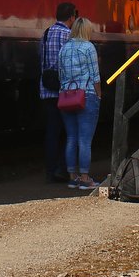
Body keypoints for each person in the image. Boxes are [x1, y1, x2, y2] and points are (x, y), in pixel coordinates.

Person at [58, 17, 103, 190]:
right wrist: (98, 95)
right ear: (86, 30)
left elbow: (60, 75)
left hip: (66, 96)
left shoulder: (64, 48)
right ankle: (85, 178)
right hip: (86, 95)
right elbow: (95, 75)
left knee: (71, 138)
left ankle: (72, 177)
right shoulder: (88, 47)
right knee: (85, 140)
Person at [39, 2, 76, 183]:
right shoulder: (69, 35)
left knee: (52, 132)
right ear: (71, 17)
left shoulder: (46, 34)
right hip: (65, 91)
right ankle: (65, 169)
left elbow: (42, 60)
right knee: (68, 132)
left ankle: (50, 171)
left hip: (47, 89)